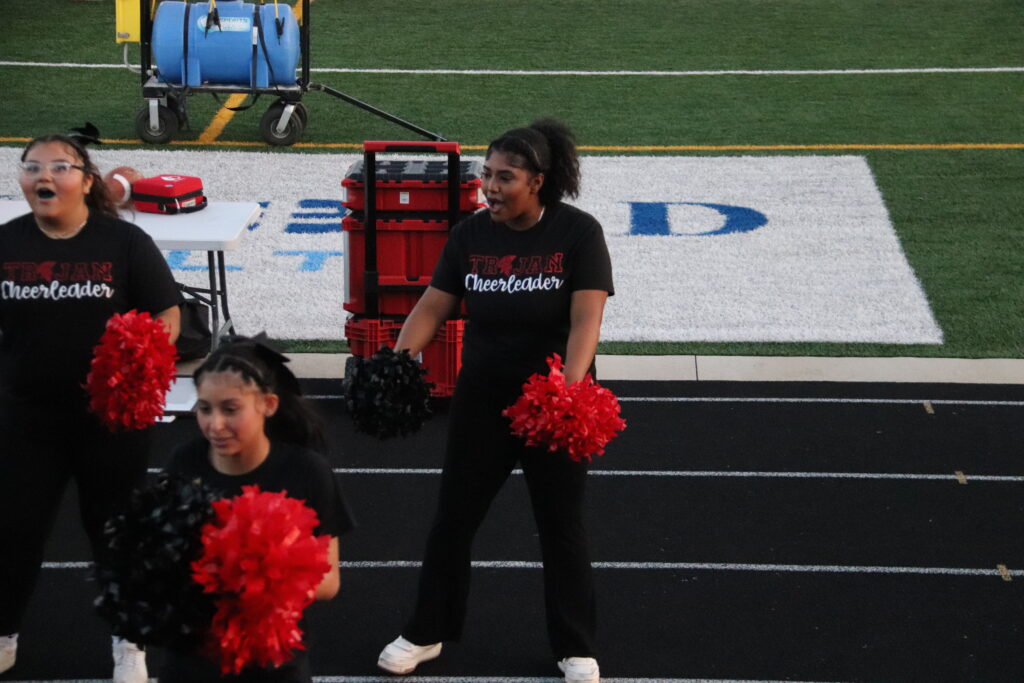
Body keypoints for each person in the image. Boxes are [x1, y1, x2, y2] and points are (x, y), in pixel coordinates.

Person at [377, 118, 614, 683]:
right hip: (483, 399)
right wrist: (394, 363)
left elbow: (587, 317)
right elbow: (433, 306)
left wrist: (568, 389)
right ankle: (426, 631)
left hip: (552, 402)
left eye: (505, 177)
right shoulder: (470, 235)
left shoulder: (578, 234)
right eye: (486, 175)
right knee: (453, 520)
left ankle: (574, 645)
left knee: (561, 526)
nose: (490, 187)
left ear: (537, 181)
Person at [0, 132, 182, 682]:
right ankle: (4, 631)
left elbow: (168, 314)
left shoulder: (123, 243)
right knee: (14, 530)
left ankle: (129, 642)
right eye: (32, 167)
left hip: (111, 421)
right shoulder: (6, 243)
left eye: (58, 167)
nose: (43, 177)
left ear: (85, 180)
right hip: (27, 418)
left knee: (117, 532)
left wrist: (142, 364)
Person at [161, 336, 356, 683]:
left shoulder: (306, 471)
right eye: (204, 408)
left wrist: (259, 577)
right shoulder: (183, 463)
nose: (214, 425)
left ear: (268, 404)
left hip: (275, 660)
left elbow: (328, 581)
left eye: (230, 409)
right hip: (194, 657)